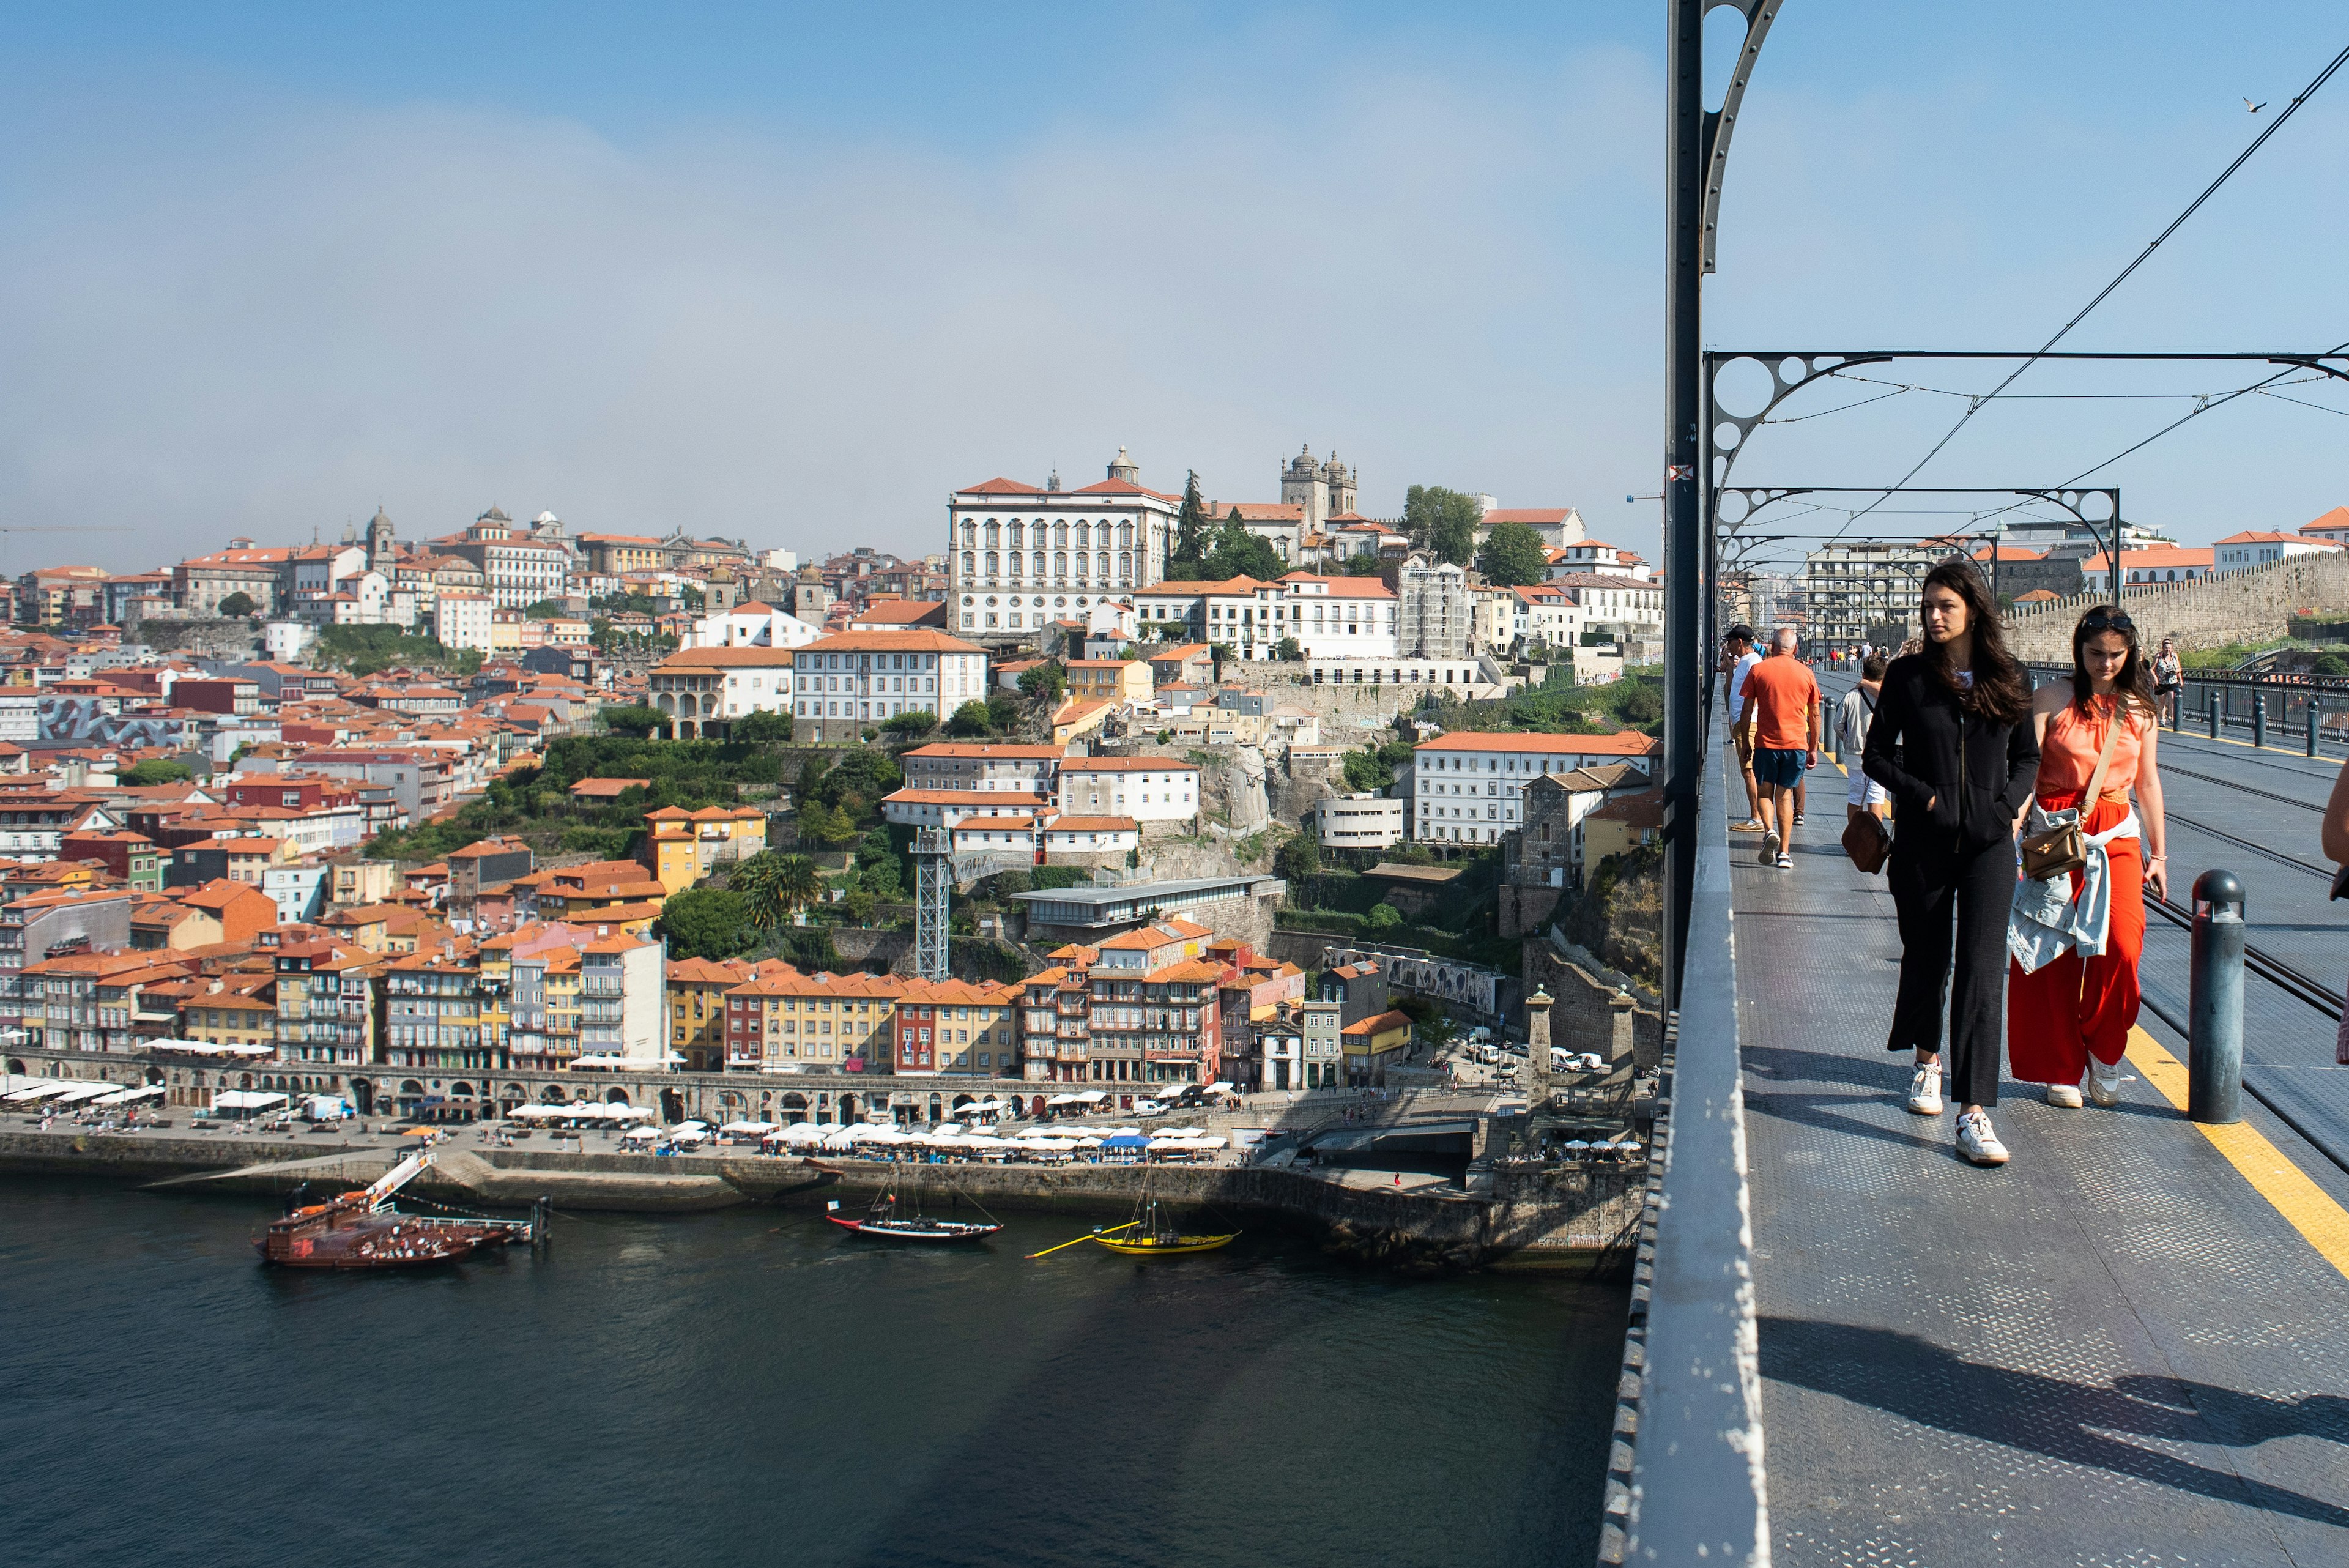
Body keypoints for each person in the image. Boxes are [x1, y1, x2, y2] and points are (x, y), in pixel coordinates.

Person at [1863, 559, 2038, 1167]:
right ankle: (1926, 1061)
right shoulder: (1908, 676)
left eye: (1947, 606)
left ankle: (1974, 1113)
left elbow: (2028, 759)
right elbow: (1876, 757)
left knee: (1983, 972)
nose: (1935, 616)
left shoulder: (2007, 676)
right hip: (1924, 842)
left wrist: (2007, 809)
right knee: (1929, 957)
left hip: (1990, 847)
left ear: (1973, 609)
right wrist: (1927, 797)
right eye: (1929, 606)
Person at [2008, 606, 2168, 1107]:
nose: (2106, 663)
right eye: (2096, 653)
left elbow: (2147, 781)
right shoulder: (2051, 698)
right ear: (2079, 649)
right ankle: (2061, 1066)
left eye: (2116, 655)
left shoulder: (2140, 710)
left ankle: (2104, 1048)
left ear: (2130, 653)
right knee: (2050, 948)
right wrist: (2007, 835)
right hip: (2056, 833)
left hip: (2117, 832)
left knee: (2122, 943)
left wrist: (2159, 853)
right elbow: (2025, 771)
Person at [1739, 628, 1822, 870]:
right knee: (1785, 797)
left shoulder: (1759, 670)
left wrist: (1746, 742)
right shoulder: (1806, 674)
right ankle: (1785, 854)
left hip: (1766, 744)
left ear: (1772, 647)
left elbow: (1746, 710)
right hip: (1796, 745)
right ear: (1795, 649)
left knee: (1765, 794)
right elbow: (1815, 714)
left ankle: (1769, 831)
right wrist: (1813, 748)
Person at [1838, 653, 1892, 825]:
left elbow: (1838, 724)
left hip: (1855, 754)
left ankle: (1855, 843)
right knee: (1876, 798)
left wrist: (1848, 741)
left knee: (1855, 797)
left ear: (1863, 675)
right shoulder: (1888, 697)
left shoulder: (1851, 695)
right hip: (1880, 755)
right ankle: (1874, 845)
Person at [1723, 626, 1764, 830]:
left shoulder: (1754, 663)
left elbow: (1756, 695)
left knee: (1749, 770)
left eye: (1730, 641)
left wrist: (1746, 727)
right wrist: (1730, 667)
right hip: (1742, 723)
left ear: (1739, 642)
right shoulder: (1744, 664)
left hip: (1749, 724)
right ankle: (1756, 815)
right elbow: (1730, 690)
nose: (1727, 645)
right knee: (1747, 770)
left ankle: (1755, 817)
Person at [2152, 637, 2182, 726]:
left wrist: (2180, 678)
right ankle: (2162, 719)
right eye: (2166, 648)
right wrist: (2154, 678)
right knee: (2162, 702)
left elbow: (2179, 668)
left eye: (2169, 648)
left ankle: (2172, 718)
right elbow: (2151, 669)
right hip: (2161, 682)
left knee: (2172, 700)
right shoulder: (2158, 657)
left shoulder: (2174, 656)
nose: (2168, 650)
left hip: (2172, 682)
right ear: (2163, 649)